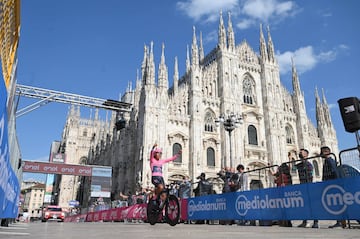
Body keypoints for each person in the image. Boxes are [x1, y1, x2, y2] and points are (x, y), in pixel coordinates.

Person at [150, 143, 181, 208]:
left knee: (164, 192)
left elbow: (170, 159)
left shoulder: (162, 161)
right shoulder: (152, 160)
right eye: (158, 153)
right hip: (155, 177)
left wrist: (178, 154)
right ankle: (155, 198)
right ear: (155, 154)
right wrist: (153, 147)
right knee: (160, 187)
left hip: (161, 178)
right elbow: (151, 153)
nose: (159, 155)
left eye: (160, 153)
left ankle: (161, 204)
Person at [320, 146, 345, 229]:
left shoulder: (330, 161)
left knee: (337, 204)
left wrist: (335, 183)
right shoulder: (329, 160)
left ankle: (340, 222)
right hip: (332, 184)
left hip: (332, 185)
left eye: (322, 152)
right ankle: (341, 222)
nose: (320, 154)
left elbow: (335, 172)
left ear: (327, 152)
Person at [296, 148, 318, 228]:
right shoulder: (300, 165)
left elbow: (310, 175)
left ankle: (315, 222)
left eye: (301, 152)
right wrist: (290, 158)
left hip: (309, 186)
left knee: (311, 205)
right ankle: (305, 221)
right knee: (304, 205)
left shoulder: (309, 164)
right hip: (302, 186)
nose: (299, 153)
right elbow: (293, 169)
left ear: (306, 154)